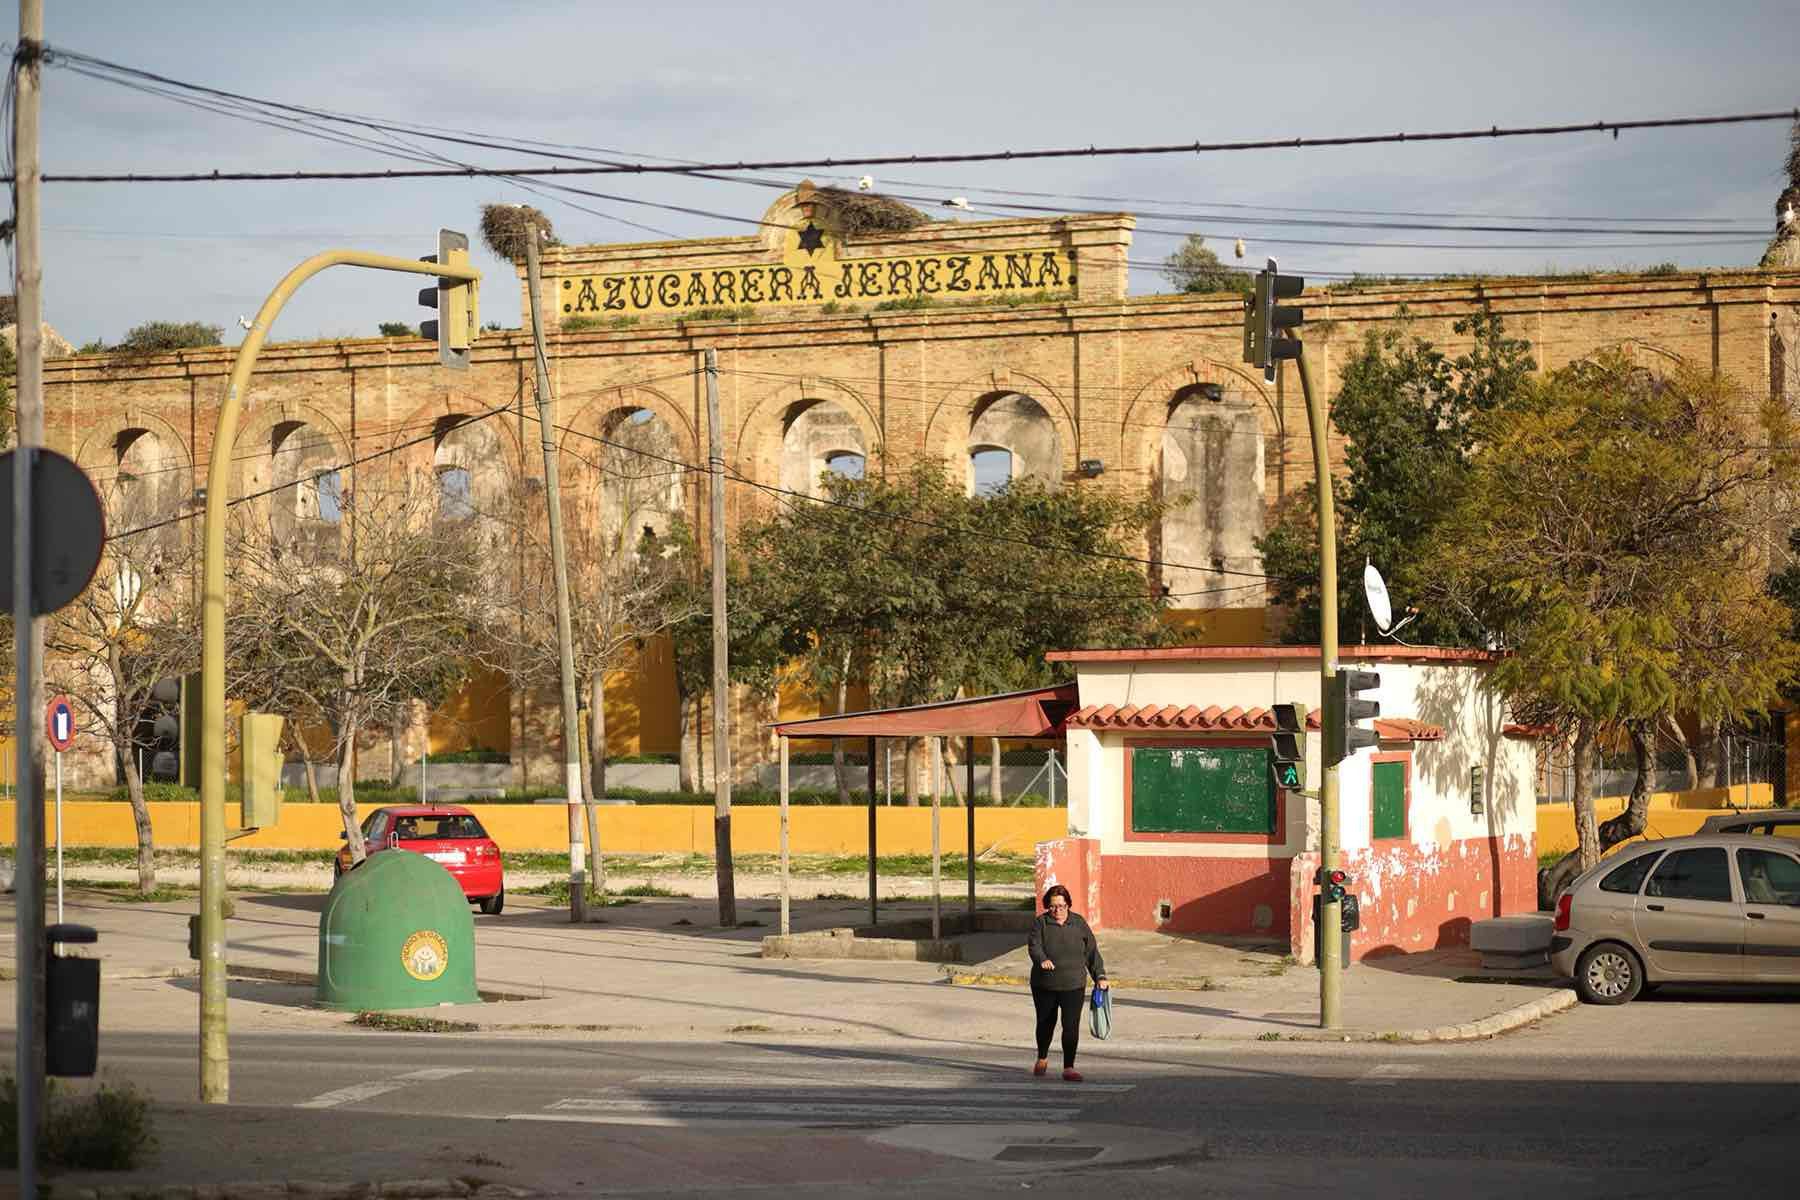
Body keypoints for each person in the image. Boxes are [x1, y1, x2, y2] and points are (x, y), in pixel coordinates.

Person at [1027, 883, 1108, 1081]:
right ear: (1048, 906)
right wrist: (1042, 959)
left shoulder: (1078, 923)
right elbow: (1034, 946)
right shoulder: (1041, 923)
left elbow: (1091, 952)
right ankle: (1042, 1057)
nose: (1057, 911)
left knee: (1071, 1025)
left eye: (1062, 906)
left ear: (1068, 905)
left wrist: (1100, 976)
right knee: (1046, 1023)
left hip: (1073, 984)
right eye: (1053, 906)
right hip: (1044, 984)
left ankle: (1069, 1067)